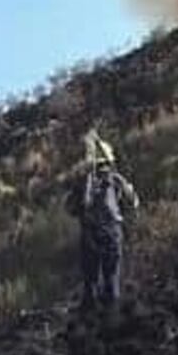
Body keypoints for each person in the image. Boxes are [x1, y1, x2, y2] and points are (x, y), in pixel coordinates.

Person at [66, 129, 139, 313]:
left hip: (89, 234)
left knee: (90, 282)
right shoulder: (116, 180)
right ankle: (112, 321)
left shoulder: (82, 182)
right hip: (113, 232)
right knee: (111, 277)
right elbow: (133, 203)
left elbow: (70, 209)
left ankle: (88, 325)